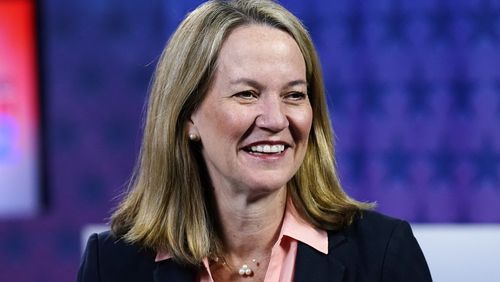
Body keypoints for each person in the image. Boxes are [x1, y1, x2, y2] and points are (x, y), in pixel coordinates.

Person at [77, 0, 432, 281]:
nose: (276, 120)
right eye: (247, 94)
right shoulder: (110, 264)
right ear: (188, 116)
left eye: (294, 95)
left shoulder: (384, 255)